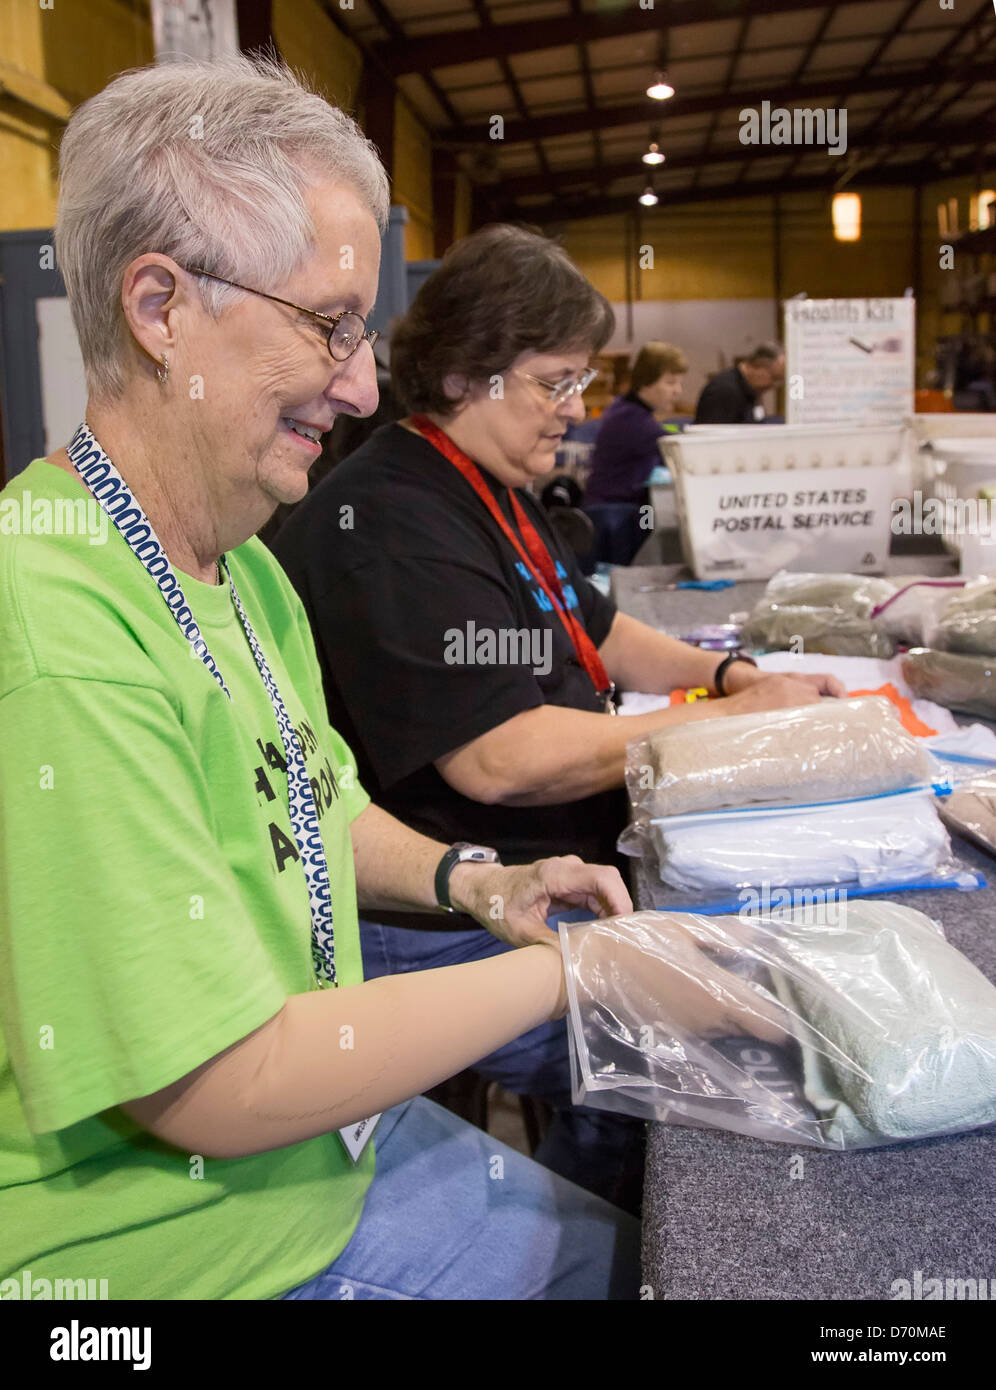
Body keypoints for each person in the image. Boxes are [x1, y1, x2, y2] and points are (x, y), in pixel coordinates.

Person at [0, 54, 718, 1304]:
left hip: (317, 1157)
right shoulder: (55, 623)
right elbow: (215, 1085)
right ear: (160, 308)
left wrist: (472, 879)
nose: (361, 382)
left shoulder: (241, 566)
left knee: (649, 1247)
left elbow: (313, 798)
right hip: (182, 1255)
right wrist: (575, 970)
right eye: (326, 323)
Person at [269, 227, 846, 1217]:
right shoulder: (394, 524)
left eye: (580, 381)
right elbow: (502, 761)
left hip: (551, 872)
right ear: (463, 376)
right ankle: (600, 1237)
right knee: (708, 1046)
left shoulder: (492, 483)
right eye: (553, 383)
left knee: (772, 976)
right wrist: (723, 731)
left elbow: (599, 625)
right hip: (446, 910)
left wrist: (728, 674)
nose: (574, 411)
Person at [583, 341, 688, 507]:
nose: (678, 391)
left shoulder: (623, 408)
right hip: (613, 514)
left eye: (679, 383)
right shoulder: (632, 420)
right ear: (646, 382)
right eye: (670, 382)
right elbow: (679, 452)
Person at [694, 341, 785, 424]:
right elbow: (710, 436)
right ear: (759, 366)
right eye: (774, 378)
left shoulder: (751, 390)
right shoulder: (723, 390)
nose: (774, 385)